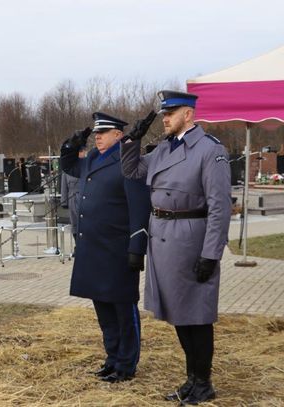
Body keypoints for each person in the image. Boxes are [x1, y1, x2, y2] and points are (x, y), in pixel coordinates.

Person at [120, 90, 231, 405]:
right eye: (163, 113)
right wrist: (132, 141)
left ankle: (203, 382)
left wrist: (211, 254)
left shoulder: (210, 151)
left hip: (191, 241)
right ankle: (192, 380)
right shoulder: (165, 149)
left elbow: (219, 208)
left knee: (197, 316)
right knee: (180, 315)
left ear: (189, 114)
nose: (165, 118)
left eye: (171, 113)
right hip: (164, 240)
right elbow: (132, 171)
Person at [60, 112, 151, 383]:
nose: (98, 136)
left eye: (104, 132)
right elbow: (67, 165)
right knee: (104, 311)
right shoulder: (91, 159)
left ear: (118, 135)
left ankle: (126, 364)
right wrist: (72, 143)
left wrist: (137, 246)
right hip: (94, 249)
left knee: (123, 311)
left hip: (117, 249)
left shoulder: (126, 160)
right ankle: (112, 358)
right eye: (96, 133)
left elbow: (139, 206)